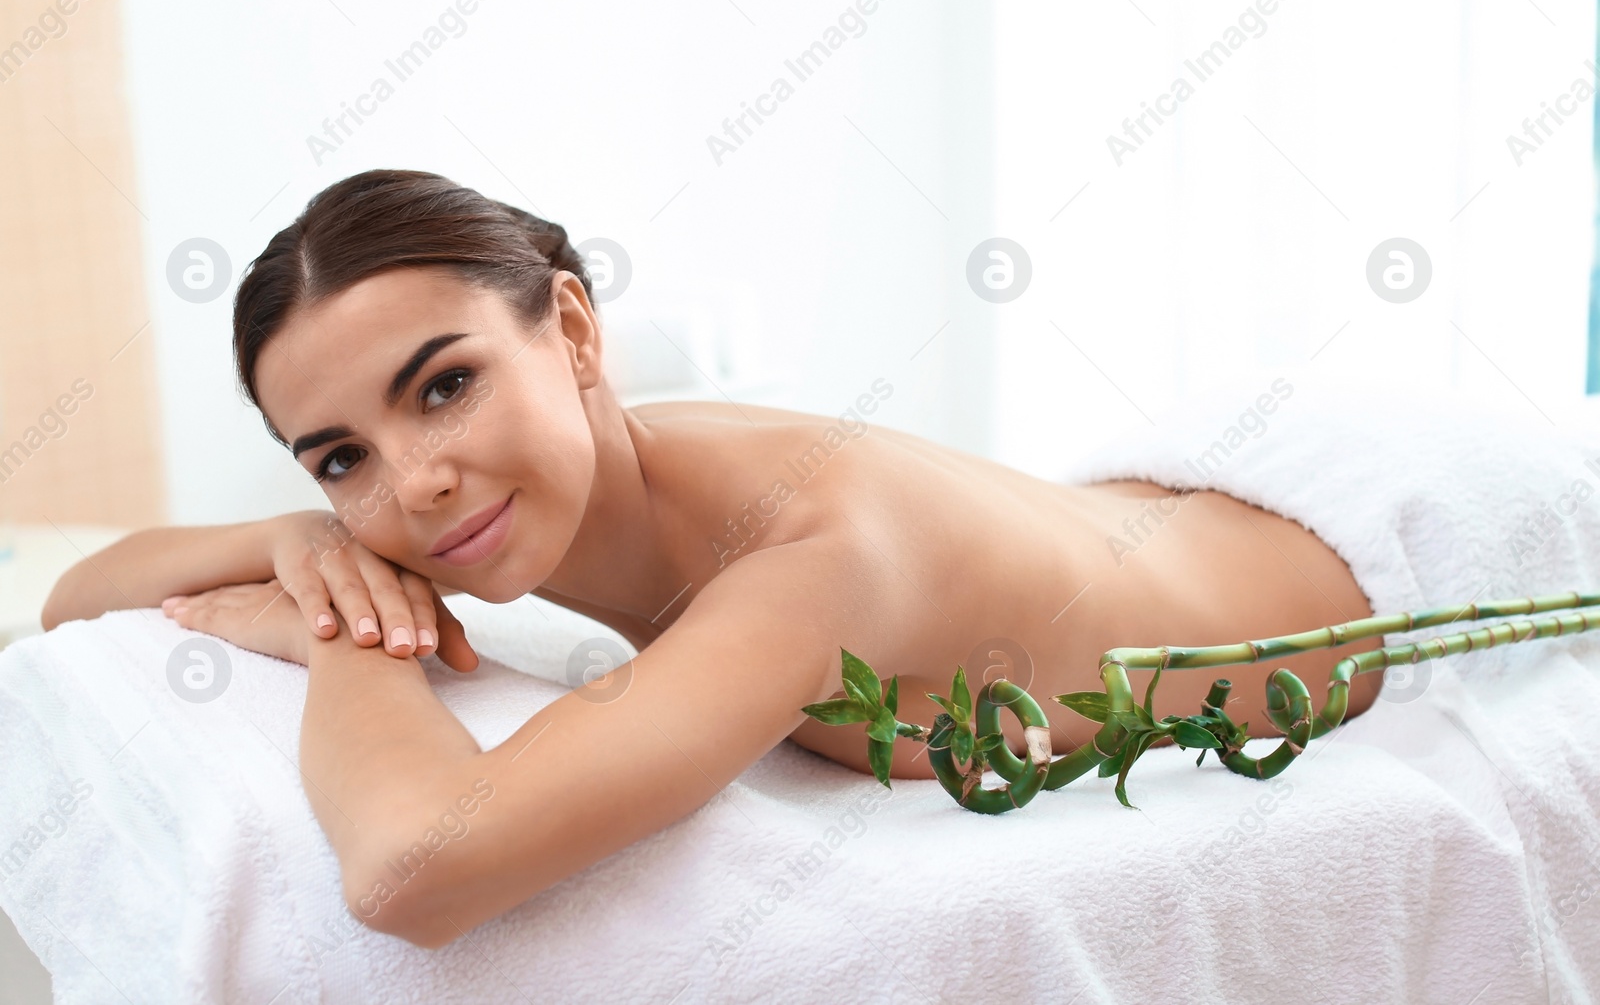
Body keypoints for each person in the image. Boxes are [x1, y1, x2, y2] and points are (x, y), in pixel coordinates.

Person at [41, 169, 1384, 947]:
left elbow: (413, 872)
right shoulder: (508, 495)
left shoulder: (813, 552)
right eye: (339, 457)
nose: (414, 481)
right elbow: (70, 594)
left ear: (571, 329)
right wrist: (300, 544)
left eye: (443, 385)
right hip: (1146, 508)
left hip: (1367, 551)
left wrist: (343, 630)